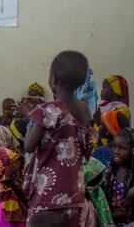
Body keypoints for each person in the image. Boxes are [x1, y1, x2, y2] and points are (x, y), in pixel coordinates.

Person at [20, 51, 93, 225]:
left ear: (54, 79)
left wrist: (30, 114)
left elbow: (29, 146)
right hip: (74, 192)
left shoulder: (46, 109)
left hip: (47, 193)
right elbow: (86, 147)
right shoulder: (84, 109)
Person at [102, 128, 134, 226]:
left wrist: (109, 217)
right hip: (109, 220)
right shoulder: (110, 168)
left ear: (133, 150)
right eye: (114, 146)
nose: (116, 151)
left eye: (122, 148)